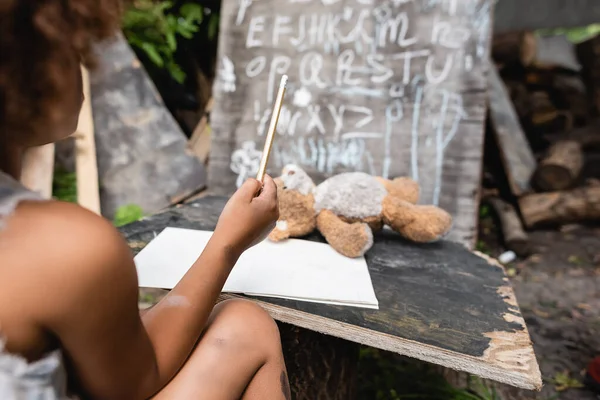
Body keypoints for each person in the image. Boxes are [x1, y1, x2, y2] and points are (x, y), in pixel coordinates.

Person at [0, 1, 291, 399]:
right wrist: (228, 242)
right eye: (74, 49)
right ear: (31, 70)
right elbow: (136, 383)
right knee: (249, 329)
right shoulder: (62, 247)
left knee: (243, 323)